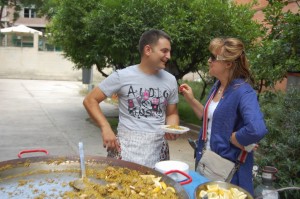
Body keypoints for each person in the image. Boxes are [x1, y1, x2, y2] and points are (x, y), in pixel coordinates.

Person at [179, 37, 267, 195]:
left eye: (213, 57)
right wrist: (191, 99)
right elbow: (208, 119)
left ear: (228, 63)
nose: (209, 60)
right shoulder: (217, 86)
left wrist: (237, 138)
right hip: (207, 163)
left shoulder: (243, 91)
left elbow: (256, 129)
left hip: (228, 172)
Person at [83, 29, 179, 168]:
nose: (168, 56)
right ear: (148, 50)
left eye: (169, 51)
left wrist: (172, 128)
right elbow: (90, 100)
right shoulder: (122, 76)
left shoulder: (170, 80)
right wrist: (105, 127)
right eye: (164, 51)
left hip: (158, 149)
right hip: (125, 148)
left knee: (157, 188)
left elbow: (172, 113)